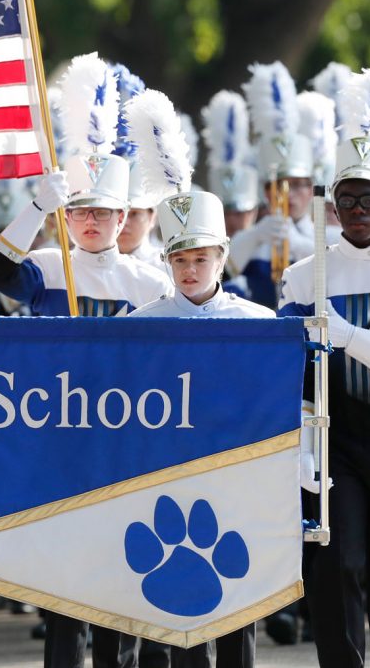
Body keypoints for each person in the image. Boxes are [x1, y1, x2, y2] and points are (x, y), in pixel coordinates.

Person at [0, 58, 173, 668]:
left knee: (123, 569)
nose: (91, 223)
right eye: (80, 212)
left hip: (128, 435)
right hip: (59, 432)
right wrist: (36, 209)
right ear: (68, 217)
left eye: (103, 213)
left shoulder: (149, 282)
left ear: (123, 218)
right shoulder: (47, 265)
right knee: (64, 581)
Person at [279, 56, 370, 668]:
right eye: (347, 198)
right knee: (338, 565)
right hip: (336, 441)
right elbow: (289, 368)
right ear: (332, 204)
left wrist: (349, 335)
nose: (357, 210)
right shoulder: (305, 275)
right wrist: (304, 442)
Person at [131, 190, 273, 667]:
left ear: (222, 257)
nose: (189, 269)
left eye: (200, 258)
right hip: (166, 470)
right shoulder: (141, 324)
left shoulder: (258, 322)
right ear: (166, 261)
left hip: (234, 470)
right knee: (172, 604)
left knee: (236, 592)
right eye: (179, 260)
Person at [227, 63, 314, 309]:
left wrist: (298, 245)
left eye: (298, 185)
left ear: (311, 190)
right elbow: (223, 270)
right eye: (281, 186)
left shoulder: (324, 237)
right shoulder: (251, 238)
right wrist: (255, 235)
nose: (290, 194)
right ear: (267, 192)